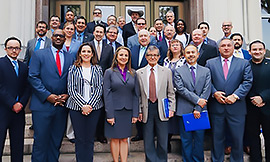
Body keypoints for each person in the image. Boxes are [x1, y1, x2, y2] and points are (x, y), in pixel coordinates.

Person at [28, 29, 74, 162]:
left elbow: (72, 79)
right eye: (56, 35)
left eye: (61, 36)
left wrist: (67, 94)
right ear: (51, 38)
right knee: (41, 142)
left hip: (61, 107)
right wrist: (48, 96)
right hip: (42, 105)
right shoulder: (38, 54)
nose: (59, 38)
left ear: (65, 39)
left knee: (56, 141)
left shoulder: (70, 57)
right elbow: (33, 77)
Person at [205, 38, 253, 162]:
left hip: (236, 107)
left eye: (228, 45)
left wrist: (235, 96)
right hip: (217, 107)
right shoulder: (210, 63)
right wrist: (214, 93)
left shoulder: (244, 63)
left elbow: (247, 82)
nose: (226, 48)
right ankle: (217, 160)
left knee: (237, 139)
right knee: (217, 138)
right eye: (223, 46)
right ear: (219, 48)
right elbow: (206, 81)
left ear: (233, 48)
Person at [66, 43, 103, 162]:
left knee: (90, 138)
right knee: (80, 138)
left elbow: (99, 88)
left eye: (88, 52)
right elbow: (71, 89)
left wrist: (90, 105)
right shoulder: (73, 68)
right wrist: (83, 105)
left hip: (94, 108)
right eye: (84, 52)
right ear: (80, 54)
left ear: (92, 54)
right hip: (76, 108)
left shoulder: (97, 69)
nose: (86, 54)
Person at [137, 45, 175, 162]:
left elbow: (171, 92)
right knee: (148, 138)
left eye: (155, 55)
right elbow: (137, 95)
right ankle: (150, 160)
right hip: (146, 107)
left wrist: (171, 108)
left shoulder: (166, 71)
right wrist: (139, 110)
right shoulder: (139, 73)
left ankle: (161, 159)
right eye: (150, 55)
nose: (152, 57)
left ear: (159, 57)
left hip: (162, 107)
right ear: (146, 57)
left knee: (162, 138)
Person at [174, 44, 211, 162]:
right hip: (184, 111)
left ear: (198, 54)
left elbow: (207, 90)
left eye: (193, 52)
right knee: (186, 141)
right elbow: (181, 89)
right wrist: (197, 100)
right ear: (184, 55)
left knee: (199, 140)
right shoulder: (178, 71)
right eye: (188, 53)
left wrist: (198, 108)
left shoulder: (206, 71)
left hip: (200, 111)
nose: (190, 55)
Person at [103, 46, 140, 162]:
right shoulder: (109, 72)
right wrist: (109, 114)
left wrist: (135, 113)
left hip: (127, 111)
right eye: (121, 55)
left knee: (124, 139)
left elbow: (136, 94)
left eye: (126, 55)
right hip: (114, 110)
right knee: (114, 139)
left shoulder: (133, 73)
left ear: (129, 58)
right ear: (116, 57)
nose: (123, 57)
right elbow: (106, 94)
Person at [0, 37, 30, 162]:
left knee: (18, 145)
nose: (14, 50)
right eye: (11, 48)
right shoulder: (0, 63)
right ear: (5, 49)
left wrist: (21, 103)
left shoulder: (23, 66)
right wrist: (12, 103)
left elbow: (27, 87)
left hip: (19, 112)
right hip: (3, 110)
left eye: (16, 48)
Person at [246, 40, 270, 162]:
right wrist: (254, 98)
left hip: (268, 107)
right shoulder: (245, 65)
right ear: (249, 52)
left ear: (264, 51)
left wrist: (263, 97)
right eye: (254, 49)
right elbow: (242, 84)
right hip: (251, 107)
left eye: (260, 49)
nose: (257, 52)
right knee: (253, 138)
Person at [90, 24, 114, 143]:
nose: (99, 34)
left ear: (104, 34)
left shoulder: (109, 47)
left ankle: (100, 134)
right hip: (89, 82)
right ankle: (91, 133)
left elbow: (111, 66)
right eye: (97, 32)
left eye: (101, 32)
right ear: (93, 32)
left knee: (102, 109)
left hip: (105, 83)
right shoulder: (88, 45)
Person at [163, 39, 185, 152]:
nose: (175, 47)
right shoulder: (166, 60)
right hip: (167, 93)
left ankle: (183, 144)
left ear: (181, 47)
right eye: (173, 45)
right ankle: (167, 142)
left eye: (177, 45)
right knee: (169, 118)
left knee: (179, 118)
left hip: (181, 93)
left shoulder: (185, 60)